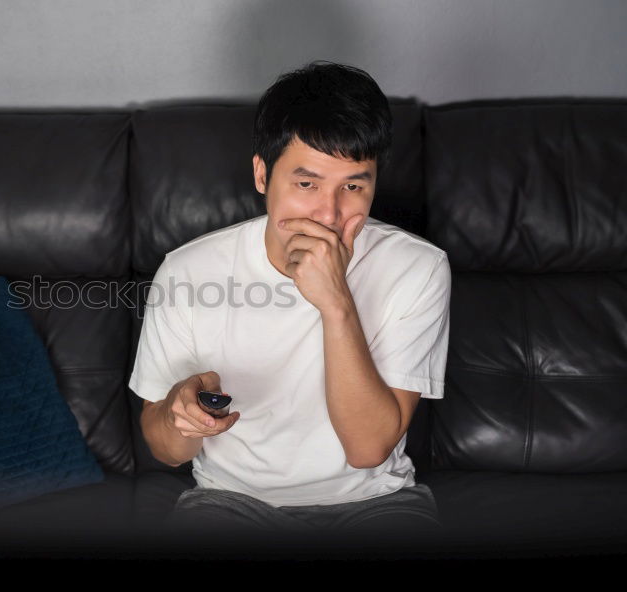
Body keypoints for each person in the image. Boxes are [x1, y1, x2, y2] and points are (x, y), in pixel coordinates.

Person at [127, 60, 451, 546]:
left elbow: (367, 451)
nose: (329, 213)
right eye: (307, 184)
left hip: (376, 502)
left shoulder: (419, 268)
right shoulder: (187, 271)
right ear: (262, 174)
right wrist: (179, 415)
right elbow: (165, 450)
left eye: (354, 186)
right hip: (229, 502)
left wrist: (336, 302)